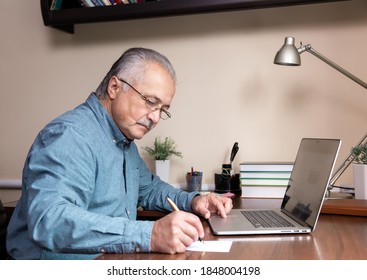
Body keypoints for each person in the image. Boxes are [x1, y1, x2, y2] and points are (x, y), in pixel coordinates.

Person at [6, 48, 232, 259]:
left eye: (162, 110)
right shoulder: (69, 136)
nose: (154, 117)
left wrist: (194, 202)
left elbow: (150, 189)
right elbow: (50, 221)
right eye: (151, 102)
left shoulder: (124, 141)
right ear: (114, 87)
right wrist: (150, 235)